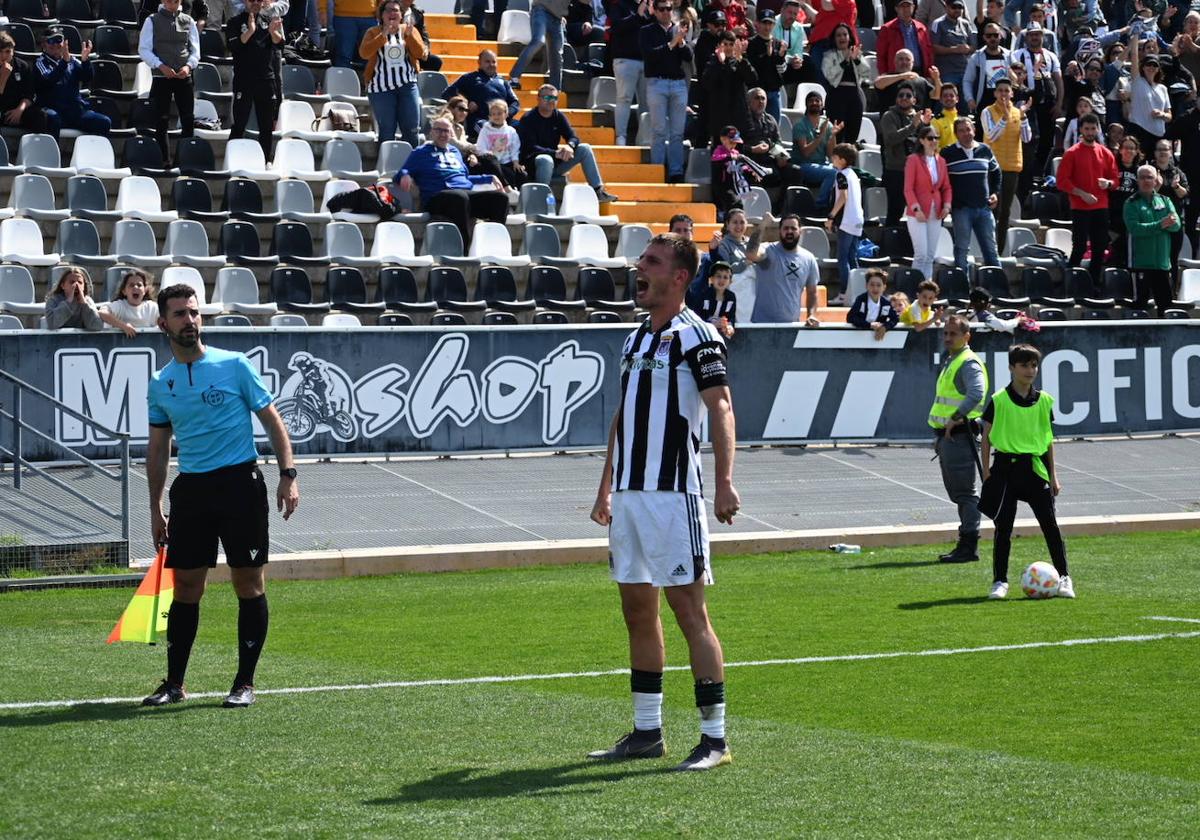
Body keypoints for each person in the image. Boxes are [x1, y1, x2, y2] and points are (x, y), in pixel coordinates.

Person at [588, 233, 739, 773]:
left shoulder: (697, 337)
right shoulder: (634, 339)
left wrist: (724, 481)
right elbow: (623, 415)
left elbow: (721, 407)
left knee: (689, 613)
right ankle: (647, 732)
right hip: (629, 495)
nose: (639, 268)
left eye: (650, 262)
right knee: (636, 611)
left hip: (674, 496)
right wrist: (605, 484)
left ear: (679, 276)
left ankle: (714, 740)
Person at [141, 283, 299, 709]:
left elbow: (272, 420)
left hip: (240, 486)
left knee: (248, 583)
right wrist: (155, 508)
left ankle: (244, 683)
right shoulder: (161, 383)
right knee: (186, 586)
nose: (189, 320)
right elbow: (158, 450)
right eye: (179, 314)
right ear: (163, 324)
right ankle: (174, 683)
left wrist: (288, 473)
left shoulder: (234, 365)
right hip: (191, 490)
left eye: (194, 313)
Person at [981, 343, 1073, 600]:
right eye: (1024, 365)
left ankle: (1064, 577)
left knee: (1050, 526)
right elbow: (986, 436)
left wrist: (1053, 474)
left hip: (1034, 469)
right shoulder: (999, 400)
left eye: (1034, 365)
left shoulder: (1044, 400)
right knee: (1003, 528)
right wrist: (986, 473)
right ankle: (999, 581)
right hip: (1005, 469)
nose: (1030, 370)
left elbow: (1047, 439)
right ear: (1012, 367)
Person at [396, 116, 510, 246]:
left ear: (451, 133)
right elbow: (400, 173)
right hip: (437, 197)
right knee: (459, 197)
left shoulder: (455, 151)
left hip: (463, 194)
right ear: (431, 132)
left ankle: (492, 245)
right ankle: (464, 248)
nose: (443, 134)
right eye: (439, 130)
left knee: (500, 199)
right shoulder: (420, 152)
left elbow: (463, 178)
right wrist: (405, 175)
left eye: (446, 131)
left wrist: (488, 177)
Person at [929, 313, 988, 564]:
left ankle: (968, 545)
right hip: (949, 437)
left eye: (953, 333)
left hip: (960, 437)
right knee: (960, 493)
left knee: (965, 494)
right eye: (945, 333)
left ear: (967, 336)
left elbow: (977, 392)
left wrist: (955, 418)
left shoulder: (966, 362)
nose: (947, 337)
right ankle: (966, 544)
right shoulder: (954, 360)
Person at [517, 84, 620, 201]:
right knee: (546, 159)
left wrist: (570, 146)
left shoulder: (558, 116)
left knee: (584, 148)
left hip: (554, 163)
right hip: (533, 165)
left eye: (554, 98)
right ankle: (541, 200)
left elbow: (573, 137)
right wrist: (554, 153)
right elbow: (529, 148)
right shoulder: (528, 118)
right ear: (538, 99)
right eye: (547, 98)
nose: (551, 101)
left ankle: (598, 191)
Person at [1057, 112, 1117, 288]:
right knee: (1080, 247)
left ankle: (1093, 283)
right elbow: (1062, 181)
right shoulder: (1071, 153)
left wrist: (1108, 183)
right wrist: (1081, 193)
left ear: (1098, 129)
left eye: (1093, 128)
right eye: (1087, 128)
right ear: (1081, 130)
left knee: (1099, 248)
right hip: (1080, 207)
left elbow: (1115, 180)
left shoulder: (1106, 153)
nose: (1090, 132)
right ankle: (1070, 281)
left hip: (1101, 206)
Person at [139, 0, 200, 164]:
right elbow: (144, 49)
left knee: (188, 119)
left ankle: (186, 160)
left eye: (176, 1)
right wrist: (159, 65)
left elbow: (195, 50)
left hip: (183, 76)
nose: (173, 4)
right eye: (169, 1)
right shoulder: (151, 20)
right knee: (161, 120)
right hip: (161, 77)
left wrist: (188, 66)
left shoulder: (188, 20)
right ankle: (163, 160)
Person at [358, 0, 423, 146]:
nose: (392, 13)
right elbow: (364, 53)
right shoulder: (373, 32)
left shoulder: (409, 29)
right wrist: (383, 35)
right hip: (380, 87)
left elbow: (420, 54)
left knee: (411, 129)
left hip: (407, 85)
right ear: (381, 15)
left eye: (395, 10)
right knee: (387, 130)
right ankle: (385, 164)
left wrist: (410, 35)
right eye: (388, 10)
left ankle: (412, 165)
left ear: (401, 15)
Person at [941, 116, 1002, 271]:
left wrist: (995, 193)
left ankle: (997, 287)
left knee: (991, 250)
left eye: (968, 129)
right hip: (961, 209)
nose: (966, 133)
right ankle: (963, 289)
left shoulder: (985, 150)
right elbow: (942, 180)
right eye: (961, 131)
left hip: (984, 208)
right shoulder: (947, 153)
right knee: (962, 249)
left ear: (974, 130)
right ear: (956, 134)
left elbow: (997, 173)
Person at [227, 0, 284, 163]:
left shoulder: (269, 22)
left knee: (266, 127)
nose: (256, 3)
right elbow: (233, 46)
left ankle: (265, 161)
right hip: (244, 81)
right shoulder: (235, 22)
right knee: (239, 124)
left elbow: (280, 45)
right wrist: (250, 31)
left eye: (259, 0)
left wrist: (274, 32)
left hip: (266, 81)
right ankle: (232, 161)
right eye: (252, 0)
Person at [641, 2, 692, 183]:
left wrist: (681, 43)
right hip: (657, 83)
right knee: (659, 130)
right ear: (654, 10)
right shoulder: (647, 30)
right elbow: (650, 56)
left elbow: (689, 57)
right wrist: (672, 44)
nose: (665, 12)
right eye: (661, 9)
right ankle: (657, 169)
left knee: (678, 133)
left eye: (669, 9)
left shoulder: (678, 30)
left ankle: (676, 172)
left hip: (678, 84)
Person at [1125, 163, 1181, 316]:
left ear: (1156, 180)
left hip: (1162, 265)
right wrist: (1161, 224)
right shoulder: (1131, 203)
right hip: (1141, 264)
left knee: (1166, 308)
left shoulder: (1165, 200)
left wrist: (1164, 225)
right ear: (1137, 180)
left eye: (1149, 177)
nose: (1146, 180)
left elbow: (1176, 225)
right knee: (1139, 308)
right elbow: (1135, 229)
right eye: (1142, 177)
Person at [34, 27, 111, 138]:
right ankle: (54, 154)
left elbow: (87, 78)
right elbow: (49, 80)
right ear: (44, 45)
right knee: (52, 118)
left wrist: (85, 62)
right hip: (53, 110)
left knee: (104, 122)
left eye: (58, 40)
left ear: (64, 43)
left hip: (74, 111)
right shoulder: (40, 62)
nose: (55, 44)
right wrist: (64, 63)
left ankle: (88, 153)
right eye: (50, 41)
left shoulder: (73, 61)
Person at [981, 76, 1030, 253]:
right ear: (995, 93)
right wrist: (1004, 118)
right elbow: (992, 136)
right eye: (1000, 90)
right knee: (992, 210)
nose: (1003, 94)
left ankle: (999, 252)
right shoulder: (987, 111)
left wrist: (1023, 117)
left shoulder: (1018, 112)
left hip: (1012, 168)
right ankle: (987, 249)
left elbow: (1026, 138)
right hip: (992, 169)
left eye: (1006, 91)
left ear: (1012, 93)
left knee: (1005, 213)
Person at [746, 214, 821, 324]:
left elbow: (812, 293)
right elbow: (750, 254)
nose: (789, 231)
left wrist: (811, 315)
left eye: (793, 228)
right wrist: (762, 225)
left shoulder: (808, 258)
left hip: (791, 326)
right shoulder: (768, 250)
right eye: (786, 228)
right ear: (779, 231)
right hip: (762, 325)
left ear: (800, 231)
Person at [1011, 22, 1063, 172]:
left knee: (1047, 138)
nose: (1034, 37)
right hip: (1027, 101)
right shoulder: (1017, 54)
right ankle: (1027, 171)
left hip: (1047, 103)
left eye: (1037, 34)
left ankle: (1041, 171)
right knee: (1029, 138)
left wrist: (1059, 103)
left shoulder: (1051, 56)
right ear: (1026, 36)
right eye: (1031, 34)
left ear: (1043, 35)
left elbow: (1058, 80)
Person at [905, 124, 953, 280]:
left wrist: (947, 205)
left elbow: (946, 187)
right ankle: (914, 288)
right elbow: (908, 188)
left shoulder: (941, 161)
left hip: (936, 211)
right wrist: (916, 209)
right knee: (921, 254)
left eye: (936, 138)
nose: (934, 141)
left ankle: (927, 288)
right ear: (922, 140)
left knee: (930, 255)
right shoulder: (913, 160)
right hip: (918, 212)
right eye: (930, 138)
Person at [881, 82, 933, 225]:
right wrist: (912, 127)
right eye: (901, 95)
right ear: (896, 99)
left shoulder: (918, 119)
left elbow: (928, 145)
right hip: (896, 172)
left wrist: (927, 126)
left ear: (914, 100)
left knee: (920, 210)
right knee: (895, 211)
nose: (904, 98)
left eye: (908, 95)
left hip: (918, 172)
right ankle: (889, 242)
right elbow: (891, 139)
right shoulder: (889, 116)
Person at [441, 50, 519, 140]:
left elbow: (515, 102)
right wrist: (466, 102)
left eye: (494, 62)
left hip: (503, 120)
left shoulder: (503, 82)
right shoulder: (469, 78)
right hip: (480, 120)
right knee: (489, 131)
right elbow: (447, 93)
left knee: (521, 128)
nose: (491, 65)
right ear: (479, 63)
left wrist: (506, 114)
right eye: (487, 61)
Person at [700, 30, 758, 146]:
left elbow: (752, 78)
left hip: (738, 118)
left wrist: (741, 59)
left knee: (739, 156)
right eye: (725, 44)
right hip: (720, 120)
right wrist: (720, 63)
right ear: (718, 46)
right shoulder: (712, 63)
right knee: (720, 157)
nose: (728, 48)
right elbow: (706, 84)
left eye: (731, 45)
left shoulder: (740, 62)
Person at [790, 90, 842, 212]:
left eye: (817, 100)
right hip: (803, 165)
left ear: (822, 104)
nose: (814, 103)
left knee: (844, 171)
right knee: (832, 173)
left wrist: (833, 135)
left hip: (822, 164)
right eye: (811, 101)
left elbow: (830, 155)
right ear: (806, 104)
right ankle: (820, 206)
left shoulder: (827, 125)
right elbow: (806, 152)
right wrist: (821, 135)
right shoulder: (800, 125)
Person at [610, 0, 653, 146]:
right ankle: (620, 137)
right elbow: (616, 28)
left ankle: (643, 138)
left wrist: (652, 14)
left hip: (646, 61)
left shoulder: (650, 8)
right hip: (624, 59)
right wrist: (637, 15)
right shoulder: (619, 5)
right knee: (624, 98)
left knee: (646, 103)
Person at [819, 23, 868, 148]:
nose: (842, 38)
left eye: (845, 34)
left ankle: (848, 163)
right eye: (838, 35)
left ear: (849, 37)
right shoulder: (829, 55)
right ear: (834, 39)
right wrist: (845, 61)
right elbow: (829, 75)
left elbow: (867, 73)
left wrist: (856, 60)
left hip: (854, 96)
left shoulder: (856, 53)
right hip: (836, 95)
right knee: (837, 135)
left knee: (852, 134)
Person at [824, 142, 863, 300]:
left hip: (847, 221)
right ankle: (858, 292)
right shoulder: (853, 174)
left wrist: (831, 217)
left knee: (843, 258)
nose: (832, 159)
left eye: (834, 157)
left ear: (842, 160)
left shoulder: (841, 175)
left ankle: (844, 294)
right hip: (858, 219)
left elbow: (843, 196)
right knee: (852, 258)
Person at [1150, 138, 1189, 280]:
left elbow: (1184, 193)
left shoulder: (1177, 172)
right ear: (1154, 153)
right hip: (1154, 222)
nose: (1162, 152)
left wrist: (1176, 186)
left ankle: (1171, 292)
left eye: (1165, 149)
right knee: (1155, 258)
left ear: (1171, 152)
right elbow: (1143, 195)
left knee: (1172, 258)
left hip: (1174, 222)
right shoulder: (1149, 170)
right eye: (1159, 149)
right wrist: (1157, 186)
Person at [509, 0, 568, 91]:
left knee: (557, 54)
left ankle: (555, 90)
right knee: (538, 41)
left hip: (557, 19)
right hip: (541, 10)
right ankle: (514, 77)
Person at [1128, 34, 1171, 155]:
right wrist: (1135, 35)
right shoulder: (1137, 81)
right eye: (1148, 64)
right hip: (1139, 132)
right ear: (1143, 67)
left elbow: (1169, 116)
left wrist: (1162, 114)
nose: (1151, 67)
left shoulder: (1163, 88)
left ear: (1158, 69)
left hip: (1158, 135)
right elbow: (1135, 56)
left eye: (1154, 65)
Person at [0, 32, 48, 134]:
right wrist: (3, 77)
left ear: (13, 51)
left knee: (40, 115)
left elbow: (29, 94)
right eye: (0, 52)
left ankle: (37, 148)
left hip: (17, 110)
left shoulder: (22, 66)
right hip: (1, 110)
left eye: (8, 51)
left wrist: (19, 110)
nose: (4, 56)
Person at [1108, 135, 1144, 269]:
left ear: (1136, 151)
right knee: (1117, 248)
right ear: (1120, 150)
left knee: (1130, 251)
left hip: (1132, 217)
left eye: (1132, 148)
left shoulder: (1140, 171)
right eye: (1126, 148)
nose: (1129, 151)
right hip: (1114, 216)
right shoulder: (1112, 168)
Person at [962, 20, 1011, 115]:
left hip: (1005, 105)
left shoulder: (1009, 56)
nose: (992, 38)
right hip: (983, 106)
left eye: (995, 35)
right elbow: (967, 80)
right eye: (989, 36)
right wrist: (970, 99)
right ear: (984, 37)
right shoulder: (976, 58)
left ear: (1000, 36)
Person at [475, 99, 526, 188]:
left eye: (499, 113)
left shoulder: (511, 131)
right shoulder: (485, 130)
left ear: (506, 114)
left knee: (522, 174)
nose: (496, 116)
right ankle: (508, 191)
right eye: (493, 114)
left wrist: (515, 162)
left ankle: (520, 197)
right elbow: (480, 147)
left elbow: (515, 148)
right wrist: (489, 153)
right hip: (493, 163)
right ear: (489, 116)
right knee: (507, 173)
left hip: (507, 161)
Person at [710, 125, 758, 219]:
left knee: (738, 205)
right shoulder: (718, 151)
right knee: (733, 204)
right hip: (722, 186)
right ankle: (727, 224)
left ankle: (734, 222)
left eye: (735, 143)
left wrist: (751, 170)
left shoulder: (735, 153)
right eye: (731, 142)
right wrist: (730, 157)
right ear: (723, 139)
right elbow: (717, 160)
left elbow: (741, 166)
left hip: (734, 185)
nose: (733, 145)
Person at [878, 0, 935, 77]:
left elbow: (929, 53)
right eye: (902, 6)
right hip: (897, 74)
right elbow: (881, 55)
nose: (905, 9)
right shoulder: (887, 29)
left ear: (913, 7)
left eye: (908, 6)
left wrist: (929, 74)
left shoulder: (921, 28)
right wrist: (884, 75)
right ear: (896, 9)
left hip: (920, 72)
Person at [100, 269, 159, 337]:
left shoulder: (152, 307)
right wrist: (124, 326)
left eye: (139, 285)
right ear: (124, 291)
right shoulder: (120, 306)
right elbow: (102, 313)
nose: (135, 287)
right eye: (131, 285)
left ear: (144, 291)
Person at [876, 48, 938, 112]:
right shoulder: (888, 78)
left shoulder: (921, 81)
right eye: (901, 59)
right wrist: (903, 76)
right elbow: (878, 83)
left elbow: (936, 95)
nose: (904, 62)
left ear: (912, 63)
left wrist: (936, 79)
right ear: (895, 61)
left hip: (916, 119)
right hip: (892, 119)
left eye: (907, 59)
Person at [930, 0, 975, 87]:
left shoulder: (966, 24)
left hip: (964, 72)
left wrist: (968, 49)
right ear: (946, 7)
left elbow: (973, 47)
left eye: (960, 7)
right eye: (954, 7)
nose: (957, 10)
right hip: (946, 73)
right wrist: (953, 50)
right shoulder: (938, 23)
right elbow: (933, 48)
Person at [846, 267, 899, 340]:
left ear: (884, 287)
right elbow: (850, 317)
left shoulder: (886, 303)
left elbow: (895, 319)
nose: (875, 288)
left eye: (878, 285)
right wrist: (869, 325)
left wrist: (885, 327)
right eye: (872, 285)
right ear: (866, 286)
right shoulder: (861, 300)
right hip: (858, 337)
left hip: (876, 340)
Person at [45, 267, 104, 331]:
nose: (76, 285)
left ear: (84, 286)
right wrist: (68, 302)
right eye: (72, 282)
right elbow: (52, 324)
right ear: (63, 285)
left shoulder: (88, 301)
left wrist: (84, 305)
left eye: (80, 282)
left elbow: (97, 326)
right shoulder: (53, 300)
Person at [690, 258, 737, 338]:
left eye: (725, 277)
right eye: (718, 276)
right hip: (703, 334)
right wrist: (711, 323)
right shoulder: (703, 294)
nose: (722, 280)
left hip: (721, 336)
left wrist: (730, 326)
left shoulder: (731, 297)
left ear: (730, 281)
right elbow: (696, 316)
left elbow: (731, 317)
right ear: (711, 279)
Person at [930, 81, 961, 150]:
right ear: (940, 100)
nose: (948, 98)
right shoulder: (935, 121)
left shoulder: (963, 120)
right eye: (945, 96)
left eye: (951, 95)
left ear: (957, 99)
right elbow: (933, 147)